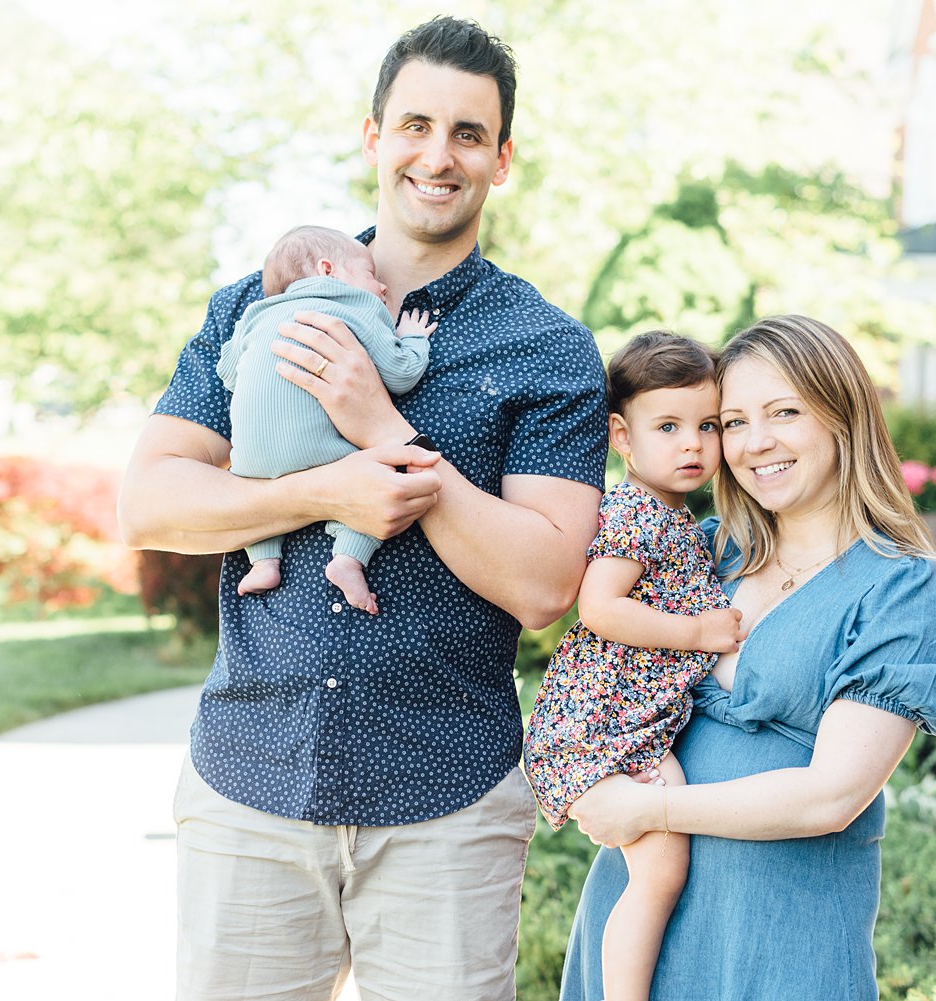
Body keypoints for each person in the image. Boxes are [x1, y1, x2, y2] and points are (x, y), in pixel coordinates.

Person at [117, 16, 608, 1001]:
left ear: (501, 159)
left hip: (449, 801)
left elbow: (547, 581)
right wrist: (324, 492)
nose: (439, 154)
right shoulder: (254, 305)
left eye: (469, 134)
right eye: (416, 124)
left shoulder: (546, 349)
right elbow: (149, 501)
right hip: (248, 777)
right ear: (373, 136)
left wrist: (382, 427)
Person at [558, 315, 936, 1001]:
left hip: (782, 935)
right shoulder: (704, 551)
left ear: (843, 417)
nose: (756, 443)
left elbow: (831, 794)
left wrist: (650, 811)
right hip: (640, 926)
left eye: (784, 413)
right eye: (733, 421)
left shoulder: (896, 585)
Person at [523, 330, 745, 1001]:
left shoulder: (677, 518)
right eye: (669, 425)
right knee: (661, 871)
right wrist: (697, 631)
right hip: (596, 730)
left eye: (707, 425)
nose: (692, 444)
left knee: (664, 869)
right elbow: (599, 607)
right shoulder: (633, 512)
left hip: (633, 731)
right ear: (622, 435)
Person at [217, 224, 437, 611]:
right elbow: (401, 373)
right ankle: (348, 559)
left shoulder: (255, 314)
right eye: (371, 274)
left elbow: (230, 374)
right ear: (328, 269)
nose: (382, 287)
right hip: (322, 453)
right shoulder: (354, 304)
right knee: (381, 477)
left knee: (251, 482)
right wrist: (414, 338)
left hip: (251, 459)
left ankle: (264, 561)